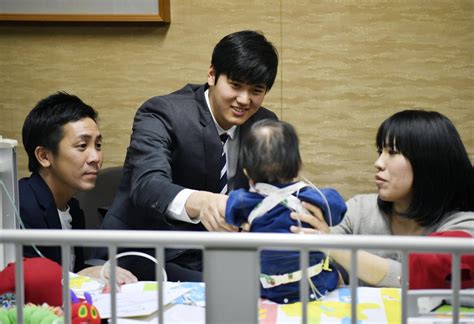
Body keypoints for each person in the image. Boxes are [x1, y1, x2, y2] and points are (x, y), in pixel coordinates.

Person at [98, 30, 279, 281]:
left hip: (218, 255)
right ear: (212, 75)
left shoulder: (265, 124)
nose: (244, 100)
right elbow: (147, 185)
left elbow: (268, 189)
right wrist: (202, 203)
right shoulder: (163, 113)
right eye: (235, 86)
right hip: (147, 251)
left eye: (256, 90)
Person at [291, 109, 474, 289]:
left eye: (392, 152)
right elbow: (328, 265)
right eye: (380, 151)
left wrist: (332, 245)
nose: (378, 163)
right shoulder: (360, 209)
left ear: (429, 162)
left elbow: (416, 277)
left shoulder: (463, 225)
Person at [19, 91, 137, 285]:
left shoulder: (73, 208)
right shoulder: (23, 205)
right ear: (44, 156)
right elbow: (28, 282)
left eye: (98, 145)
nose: (95, 158)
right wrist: (81, 275)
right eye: (82, 146)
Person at [225, 119, 347, 303]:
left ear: (247, 172)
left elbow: (231, 216)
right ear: (298, 165)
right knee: (335, 271)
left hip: (267, 289)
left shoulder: (242, 201)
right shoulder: (317, 198)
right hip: (314, 285)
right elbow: (339, 209)